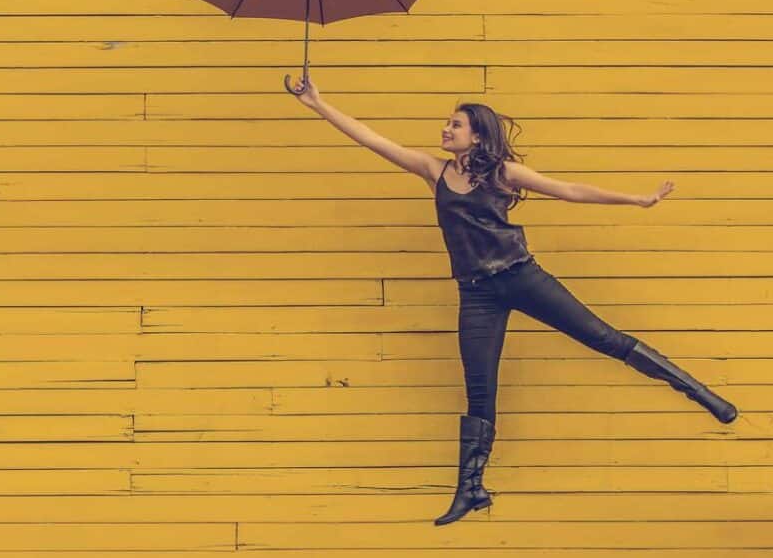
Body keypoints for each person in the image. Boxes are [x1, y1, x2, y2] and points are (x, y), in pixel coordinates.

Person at [288, 74, 738, 526]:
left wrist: (636, 200)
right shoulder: (434, 171)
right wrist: (317, 104)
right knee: (480, 392)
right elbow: (372, 140)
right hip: (476, 294)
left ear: (477, 135)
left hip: (522, 277)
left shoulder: (503, 173)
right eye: (448, 123)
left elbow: (570, 190)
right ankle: (471, 489)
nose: (446, 129)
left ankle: (701, 394)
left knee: (604, 338)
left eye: (455, 124)